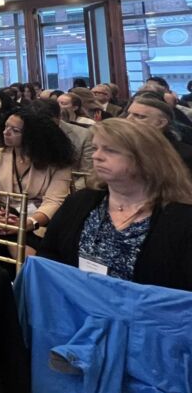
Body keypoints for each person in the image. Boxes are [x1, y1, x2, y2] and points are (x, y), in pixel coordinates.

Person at [39, 118, 192, 290]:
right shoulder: (80, 201)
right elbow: (49, 254)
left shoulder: (182, 219)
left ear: (145, 158)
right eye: (95, 148)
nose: (96, 156)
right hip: (74, 301)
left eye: (110, 150)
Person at [0, 108, 73, 254]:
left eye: (15, 130)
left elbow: (54, 202)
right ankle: (24, 265)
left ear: (33, 136)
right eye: (5, 126)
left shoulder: (58, 163)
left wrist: (29, 223)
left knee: (10, 232)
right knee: (4, 224)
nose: (6, 132)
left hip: (40, 221)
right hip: (3, 215)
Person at [124, 95, 192, 173]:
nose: (128, 119)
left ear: (160, 123)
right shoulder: (119, 145)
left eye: (140, 116)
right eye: (128, 114)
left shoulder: (183, 155)